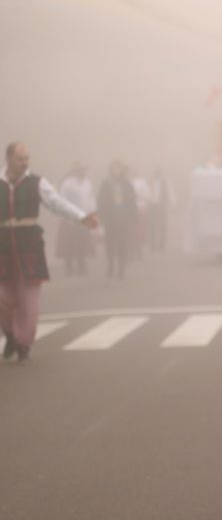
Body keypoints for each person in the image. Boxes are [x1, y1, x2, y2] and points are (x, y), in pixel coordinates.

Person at [1, 142, 98, 362]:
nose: (25, 163)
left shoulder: (37, 182)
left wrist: (82, 217)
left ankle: (23, 343)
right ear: (8, 159)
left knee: (29, 300)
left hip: (29, 246)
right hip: (3, 247)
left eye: (27, 158)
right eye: (20, 159)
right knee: (4, 298)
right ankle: (9, 334)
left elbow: (57, 203)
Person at [97, 161, 137, 279]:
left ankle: (121, 268)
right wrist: (101, 214)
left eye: (118, 168)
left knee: (122, 243)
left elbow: (131, 200)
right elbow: (101, 200)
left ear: (121, 170)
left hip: (123, 217)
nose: (116, 170)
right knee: (110, 242)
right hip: (110, 217)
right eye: (113, 168)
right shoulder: (106, 183)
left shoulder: (127, 183)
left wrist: (133, 216)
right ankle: (110, 265)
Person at [58, 161, 97, 275]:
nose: (82, 172)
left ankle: (81, 263)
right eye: (80, 170)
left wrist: (93, 212)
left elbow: (91, 199)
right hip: (72, 217)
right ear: (75, 171)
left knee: (82, 241)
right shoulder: (67, 183)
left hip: (84, 216)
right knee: (70, 242)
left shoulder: (87, 183)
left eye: (84, 170)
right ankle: (69, 265)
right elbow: (62, 199)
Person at [148, 167, 174, 252]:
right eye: (156, 174)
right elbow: (147, 192)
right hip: (152, 205)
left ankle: (162, 245)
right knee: (152, 225)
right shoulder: (150, 182)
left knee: (162, 225)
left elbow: (170, 193)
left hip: (162, 205)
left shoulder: (164, 182)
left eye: (158, 174)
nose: (157, 176)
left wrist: (171, 203)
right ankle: (153, 245)